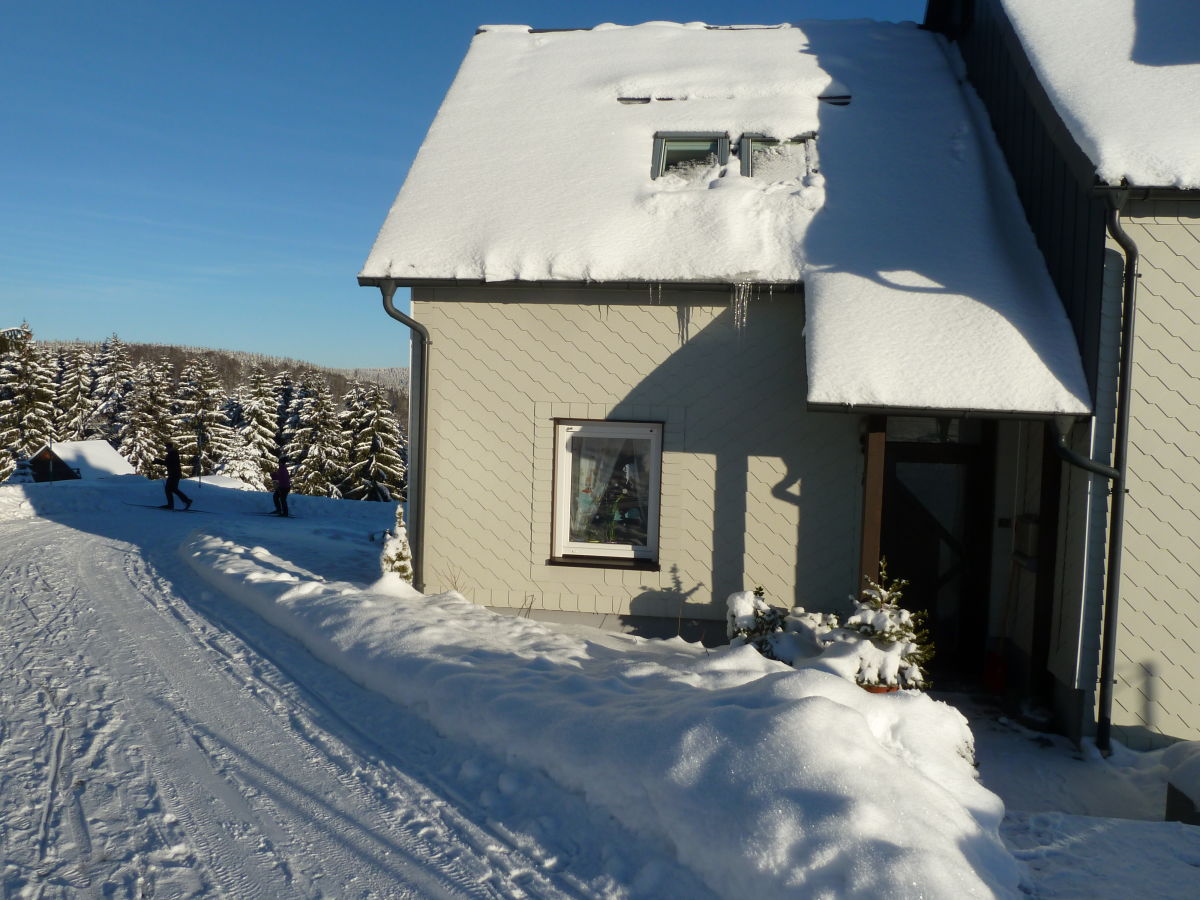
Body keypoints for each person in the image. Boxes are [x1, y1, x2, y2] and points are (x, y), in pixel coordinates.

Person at [158, 440, 192, 510]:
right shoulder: (173, 453)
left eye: (167, 447)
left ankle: (172, 504)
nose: (166, 449)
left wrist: (158, 461)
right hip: (175, 474)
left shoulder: (172, 453)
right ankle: (185, 501)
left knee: (169, 489)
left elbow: (167, 463)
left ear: (169, 447)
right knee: (173, 489)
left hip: (174, 474)